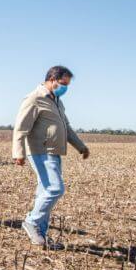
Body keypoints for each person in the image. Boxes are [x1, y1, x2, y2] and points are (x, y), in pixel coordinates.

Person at [12, 65, 90, 250]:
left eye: (67, 85)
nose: (65, 88)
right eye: (63, 84)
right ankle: (31, 222)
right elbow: (20, 128)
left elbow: (66, 128)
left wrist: (81, 147)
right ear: (52, 79)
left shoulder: (57, 101)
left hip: (53, 152)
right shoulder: (35, 98)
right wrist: (18, 153)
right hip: (41, 151)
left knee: (45, 192)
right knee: (55, 189)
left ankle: (41, 236)